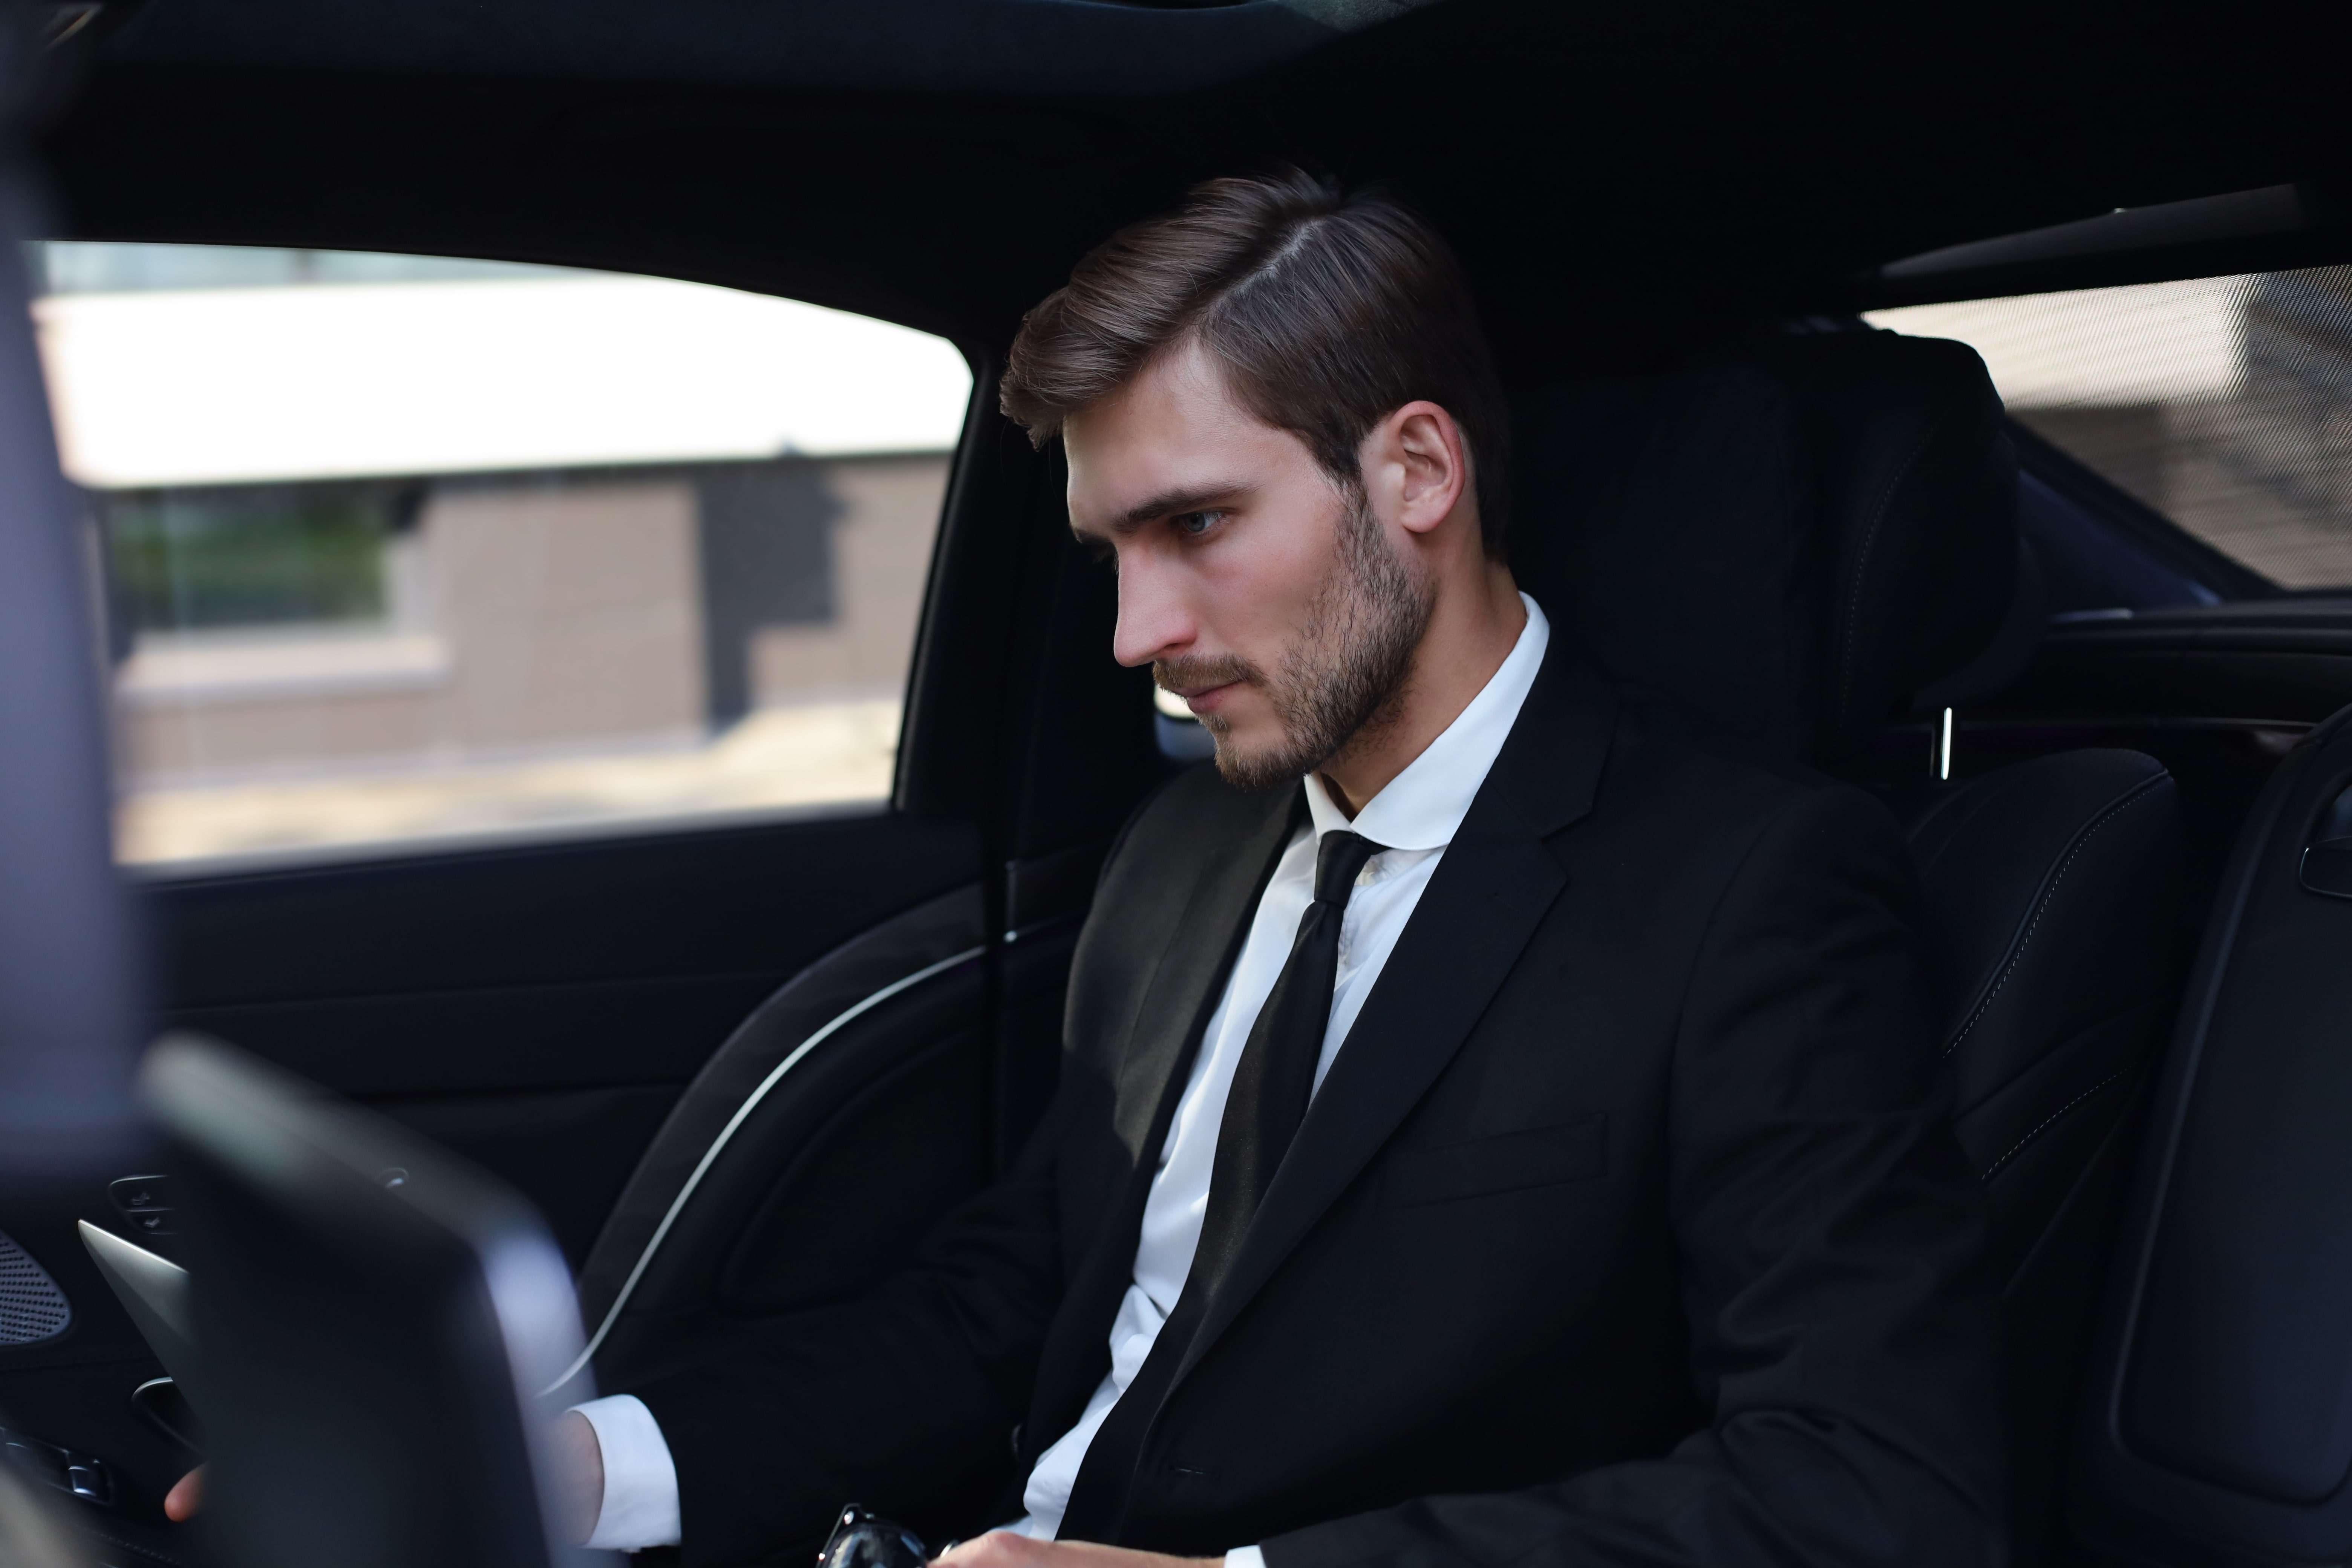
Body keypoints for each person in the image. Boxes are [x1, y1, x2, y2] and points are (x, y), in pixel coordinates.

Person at [176, 167, 2004, 1568]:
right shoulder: (1188, 849)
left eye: (1197, 526)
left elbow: (1870, 1489)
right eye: (1111, 549)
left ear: (1418, 472)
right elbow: (998, 1311)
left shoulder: (1750, 891)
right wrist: (567, 1467)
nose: (1138, 628)